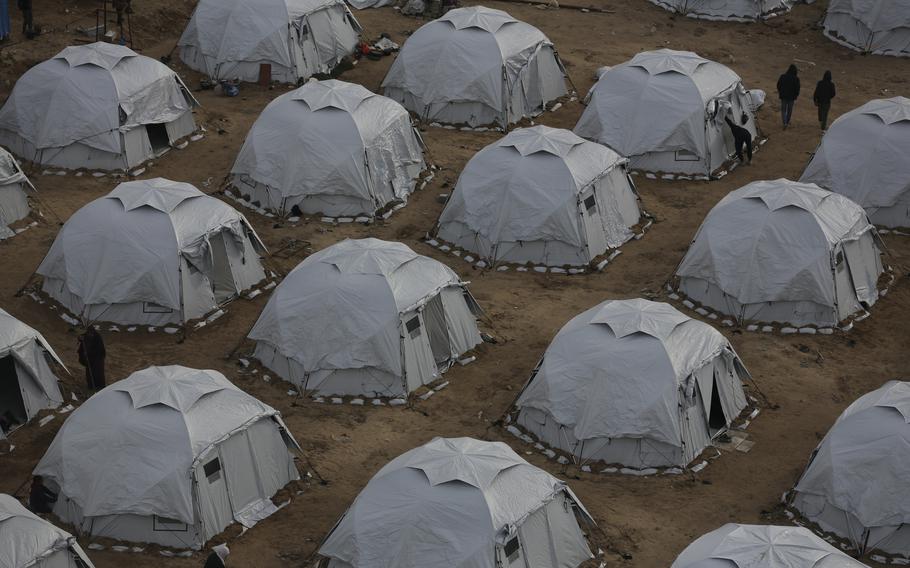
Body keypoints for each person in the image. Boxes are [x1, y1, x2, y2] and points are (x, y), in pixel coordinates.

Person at [77, 327, 106, 391]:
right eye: (89, 333)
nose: (90, 335)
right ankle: (91, 385)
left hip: (98, 359)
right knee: (89, 373)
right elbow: (82, 338)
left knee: (98, 373)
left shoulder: (97, 337)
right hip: (90, 360)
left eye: (91, 333)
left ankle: (99, 386)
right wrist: (80, 338)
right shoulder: (87, 336)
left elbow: (99, 350)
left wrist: (88, 353)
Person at [776, 64, 800, 129]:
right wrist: (796, 95)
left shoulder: (783, 76)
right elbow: (797, 88)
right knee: (789, 110)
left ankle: (784, 122)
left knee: (783, 110)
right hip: (791, 97)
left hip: (783, 96)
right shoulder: (796, 79)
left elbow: (778, 85)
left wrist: (780, 91)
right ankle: (787, 121)